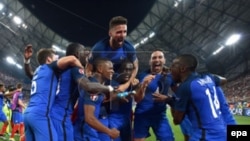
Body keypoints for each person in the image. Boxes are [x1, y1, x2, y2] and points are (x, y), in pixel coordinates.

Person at [24, 44, 115, 141]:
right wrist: (109, 89)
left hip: (51, 114)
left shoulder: (56, 70)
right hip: (61, 117)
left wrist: (26, 62)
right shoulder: (75, 68)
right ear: (77, 54)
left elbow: (32, 75)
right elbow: (88, 86)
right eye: (85, 53)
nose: (88, 58)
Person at [23, 48, 83, 141]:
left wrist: (27, 61)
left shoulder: (39, 71)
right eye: (56, 57)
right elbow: (72, 59)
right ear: (49, 60)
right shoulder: (49, 68)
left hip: (27, 114)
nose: (58, 59)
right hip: (40, 114)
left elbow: (29, 73)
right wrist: (83, 71)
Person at [170, 54, 226, 141]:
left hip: (205, 136)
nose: (170, 69)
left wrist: (169, 101)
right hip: (221, 131)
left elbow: (177, 121)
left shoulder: (185, 87)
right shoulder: (208, 77)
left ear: (183, 68)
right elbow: (224, 80)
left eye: (173, 66)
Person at [86, 16, 138, 92]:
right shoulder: (98, 48)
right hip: (101, 79)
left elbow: (135, 67)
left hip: (116, 79)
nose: (122, 35)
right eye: (119, 32)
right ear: (110, 33)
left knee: (136, 83)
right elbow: (88, 68)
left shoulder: (129, 48)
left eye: (125, 31)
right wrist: (93, 84)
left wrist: (126, 85)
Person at [133, 49, 174, 141]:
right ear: (150, 61)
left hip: (160, 115)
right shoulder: (142, 76)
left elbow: (179, 94)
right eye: (154, 58)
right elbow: (137, 99)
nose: (157, 60)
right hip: (142, 114)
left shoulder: (170, 76)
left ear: (164, 60)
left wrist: (168, 98)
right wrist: (143, 85)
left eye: (160, 57)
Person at [80, 58, 120, 141]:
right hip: (85, 133)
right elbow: (89, 118)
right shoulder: (94, 88)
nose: (113, 71)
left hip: (90, 131)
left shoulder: (98, 86)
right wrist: (109, 132)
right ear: (100, 69)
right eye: (110, 68)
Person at [107, 59, 139, 141]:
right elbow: (121, 99)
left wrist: (138, 87)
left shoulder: (133, 83)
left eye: (130, 70)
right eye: (125, 69)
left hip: (126, 119)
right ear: (120, 70)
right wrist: (132, 90)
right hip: (113, 119)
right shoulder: (113, 83)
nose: (127, 72)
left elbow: (138, 98)